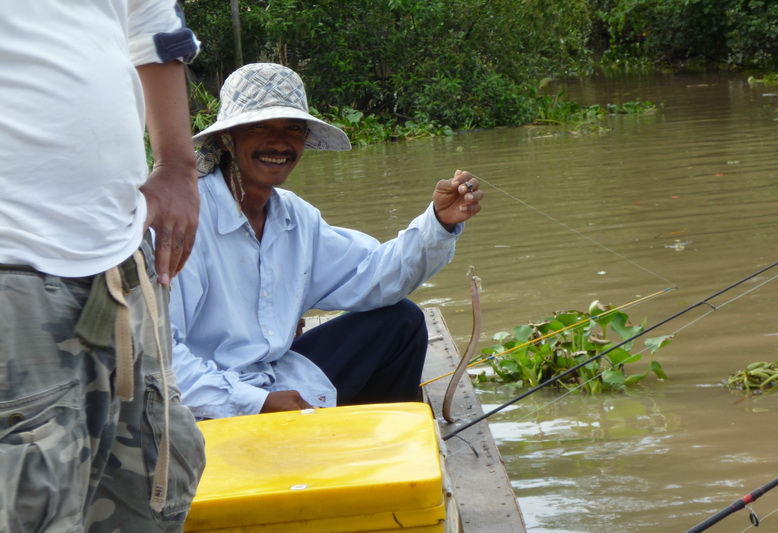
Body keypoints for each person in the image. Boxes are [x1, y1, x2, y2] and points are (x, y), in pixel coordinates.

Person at [170, 62, 484, 419]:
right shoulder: (182, 220)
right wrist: (256, 403)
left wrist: (440, 221)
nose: (279, 142)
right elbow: (157, 357)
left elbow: (373, 275)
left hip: (275, 377)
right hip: (200, 404)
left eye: (293, 128)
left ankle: (381, 455)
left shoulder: (295, 218)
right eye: (260, 127)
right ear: (228, 138)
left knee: (400, 322)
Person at [0, 1, 206, 531]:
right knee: (27, 499)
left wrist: (179, 166)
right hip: (11, 273)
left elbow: (153, 26)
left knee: (155, 482)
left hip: (125, 258)